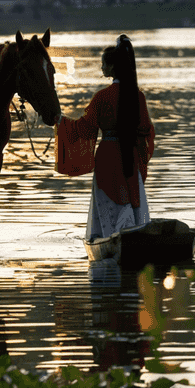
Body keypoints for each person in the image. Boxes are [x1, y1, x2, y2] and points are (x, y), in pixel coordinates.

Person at [57, 34, 155, 240]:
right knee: (132, 201)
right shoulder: (138, 96)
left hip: (108, 158)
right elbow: (146, 129)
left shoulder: (101, 97)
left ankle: (109, 240)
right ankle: (137, 239)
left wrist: (60, 122)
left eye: (103, 64)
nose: (101, 68)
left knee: (110, 206)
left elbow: (82, 129)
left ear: (112, 68)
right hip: (131, 157)